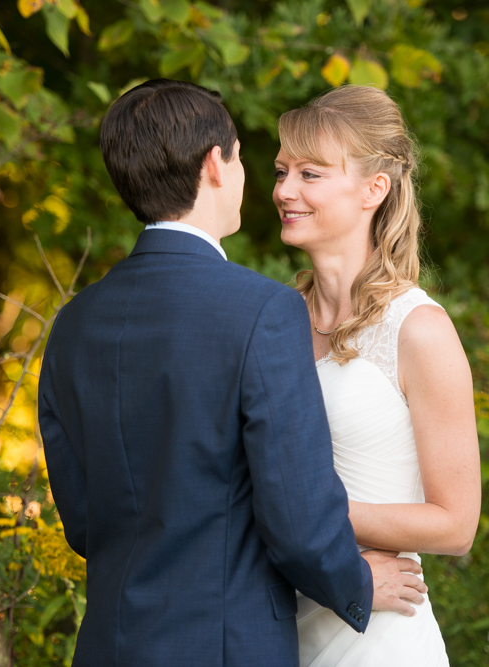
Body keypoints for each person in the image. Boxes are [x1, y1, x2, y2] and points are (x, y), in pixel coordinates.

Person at [36, 79, 426, 667]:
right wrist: (359, 583)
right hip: (226, 646)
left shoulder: (73, 324)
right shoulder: (263, 311)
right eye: (245, 158)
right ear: (215, 165)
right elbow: (294, 519)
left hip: (108, 644)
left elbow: (84, 523)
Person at [272, 85, 483, 666]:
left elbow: (456, 523)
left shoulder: (419, 330)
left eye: (311, 174)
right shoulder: (273, 321)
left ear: (375, 188)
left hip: (381, 640)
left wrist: (312, 524)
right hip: (276, 631)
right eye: (282, 170)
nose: (285, 190)